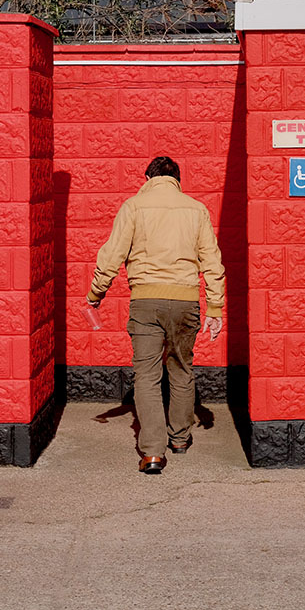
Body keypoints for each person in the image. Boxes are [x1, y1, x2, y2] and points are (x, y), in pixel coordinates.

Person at [86, 156, 225, 474]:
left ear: (148, 177)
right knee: (181, 369)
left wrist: (96, 293)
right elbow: (212, 261)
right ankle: (179, 438)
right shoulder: (196, 209)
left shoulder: (133, 206)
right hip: (186, 299)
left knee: (147, 377)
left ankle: (152, 452)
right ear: (177, 179)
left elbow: (112, 254)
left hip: (146, 300)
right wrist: (215, 307)